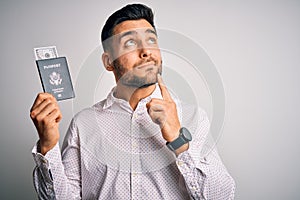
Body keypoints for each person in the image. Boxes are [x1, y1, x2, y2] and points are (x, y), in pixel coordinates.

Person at [30, 3, 235, 200]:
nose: (146, 51)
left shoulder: (193, 117)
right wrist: (48, 147)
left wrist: (179, 141)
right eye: (130, 43)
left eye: (151, 40)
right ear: (108, 62)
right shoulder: (83, 124)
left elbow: (223, 197)